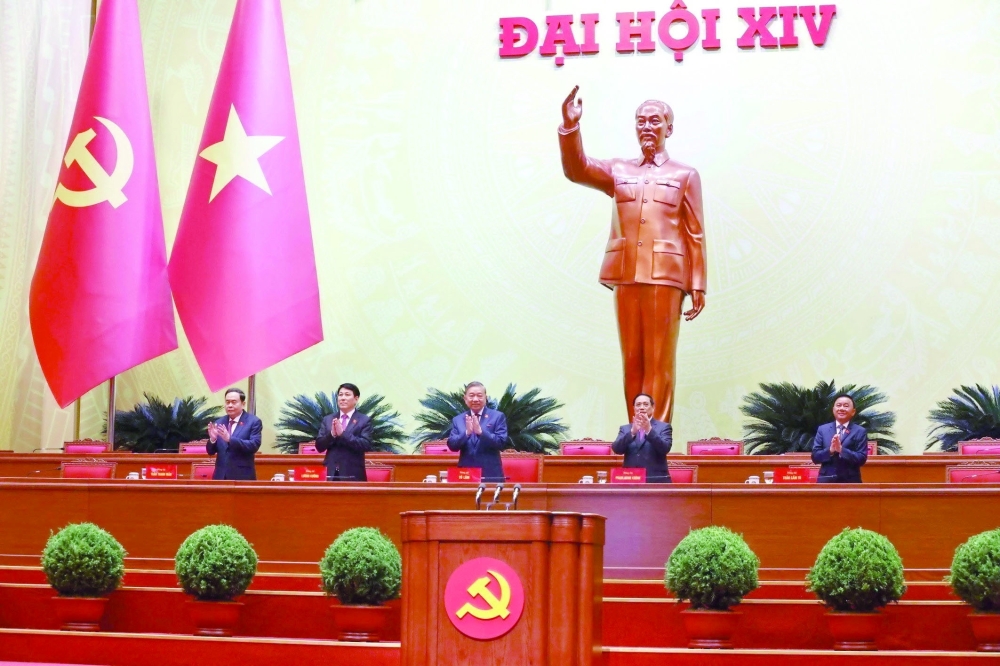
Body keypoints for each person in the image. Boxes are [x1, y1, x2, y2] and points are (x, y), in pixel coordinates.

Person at [559, 86, 706, 424]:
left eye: (655, 121)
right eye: (641, 121)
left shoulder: (685, 175)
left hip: (666, 276)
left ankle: (657, 436)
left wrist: (698, 283)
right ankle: (635, 434)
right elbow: (577, 169)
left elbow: (695, 232)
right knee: (632, 359)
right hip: (625, 273)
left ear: (669, 128)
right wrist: (570, 127)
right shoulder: (619, 170)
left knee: (659, 360)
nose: (647, 127)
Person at [447, 382, 509, 481]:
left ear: (486, 398)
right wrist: (466, 433)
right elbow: (452, 445)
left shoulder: (497, 416)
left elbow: (501, 443)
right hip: (466, 475)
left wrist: (481, 432)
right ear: (465, 398)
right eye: (471, 396)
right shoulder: (458, 419)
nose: (475, 399)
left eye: (479, 395)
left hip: (491, 475)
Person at [316, 382, 374, 481]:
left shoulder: (364, 420)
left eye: (347, 395)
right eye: (340, 395)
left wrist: (343, 434)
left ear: (356, 399)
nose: (343, 398)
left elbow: (366, 445)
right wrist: (332, 434)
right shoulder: (328, 419)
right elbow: (319, 446)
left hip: (353, 474)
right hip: (331, 474)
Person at [612, 393, 673, 483]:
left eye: (645, 404)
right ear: (634, 408)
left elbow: (665, 448)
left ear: (653, 407)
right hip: (631, 480)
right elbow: (617, 449)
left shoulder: (664, 427)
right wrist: (632, 432)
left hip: (656, 481)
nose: (641, 407)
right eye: (638, 405)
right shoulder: (625, 429)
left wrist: (649, 430)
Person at [206, 388, 262, 480]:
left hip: (242, 477)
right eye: (227, 402)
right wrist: (212, 439)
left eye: (233, 402)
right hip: (220, 477)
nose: (230, 405)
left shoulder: (253, 422)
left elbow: (254, 445)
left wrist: (230, 439)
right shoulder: (219, 422)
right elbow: (210, 452)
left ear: (243, 404)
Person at [811, 394, 868, 483]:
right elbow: (815, 457)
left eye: (846, 406)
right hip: (826, 481)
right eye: (838, 405)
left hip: (850, 482)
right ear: (833, 410)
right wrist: (830, 450)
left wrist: (841, 450)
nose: (841, 408)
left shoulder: (860, 431)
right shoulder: (823, 429)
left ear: (853, 412)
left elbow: (861, 459)